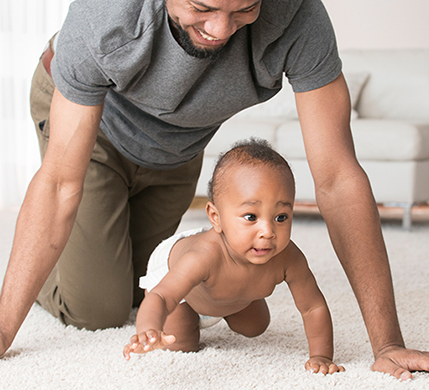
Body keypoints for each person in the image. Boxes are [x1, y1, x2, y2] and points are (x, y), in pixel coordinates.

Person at [0, 0, 429, 382]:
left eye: (244, 9)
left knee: (158, 286)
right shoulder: (105, 17)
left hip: (178, 148)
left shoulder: (299, 16)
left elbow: (337, 177)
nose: (221, 29)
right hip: (95, 130)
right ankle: (46, 276)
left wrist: (387, 344)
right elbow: (62, 183)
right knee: (100, 307)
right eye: (202, 7)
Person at [124, 138, 345, 374]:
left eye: (281, 217)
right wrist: (149, 329)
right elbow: (162, 296)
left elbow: (312, 307)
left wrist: (321, 355)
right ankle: (187, 317)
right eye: (251, 216)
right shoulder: (202, 256)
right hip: (179, 286)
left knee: (256, 326)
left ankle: (232, 301)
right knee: (181, 344)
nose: (268, 232)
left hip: (222, 289)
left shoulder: (288, 257)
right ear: (215, 217)